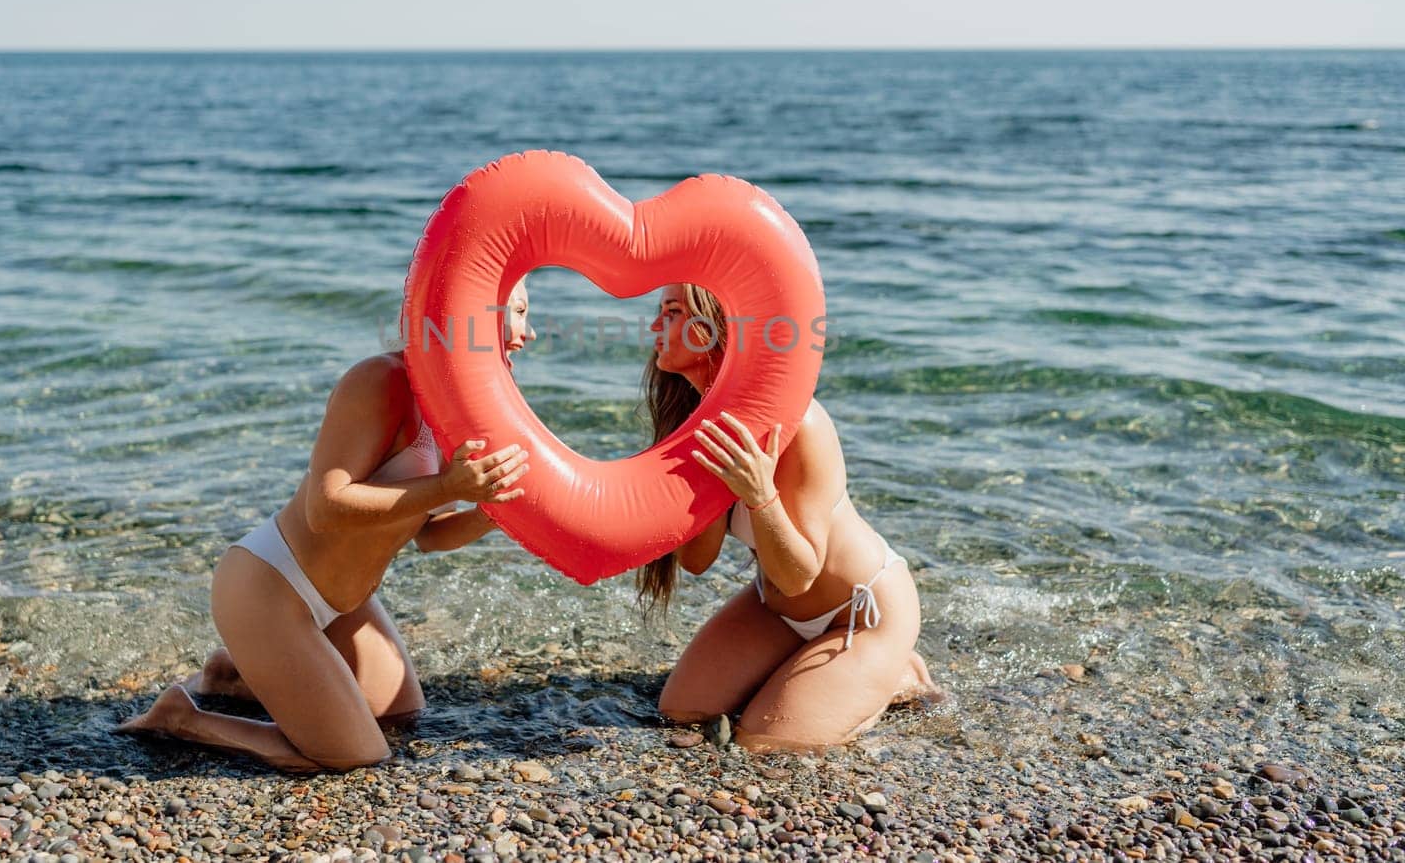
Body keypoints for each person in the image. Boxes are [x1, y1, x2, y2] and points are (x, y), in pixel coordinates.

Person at [118, 280, 538, 771]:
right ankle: (180, 717)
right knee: (356, 755)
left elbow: (428, 534)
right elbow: (326, 506)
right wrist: (450, 487)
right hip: (271, 587)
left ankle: (233, 678)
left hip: (345, 603)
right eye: (520, 311)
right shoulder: (381, 379)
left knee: (400, 715)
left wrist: (492, 513)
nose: (528, 332)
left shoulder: (458, 406)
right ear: (467, 307)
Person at [639, 284, 939, 751]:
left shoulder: (799, 424)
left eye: (672, 312)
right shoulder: (693, 422)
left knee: (764, 742)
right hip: (772, 607)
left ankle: (899, 672)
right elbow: (697, 561)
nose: (655, 327)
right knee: (682, 713)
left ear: (717, 330)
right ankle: (800, 666)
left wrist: (759, 495)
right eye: (659, 312)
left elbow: (799, 576)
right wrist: (701, 485)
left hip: (861, 612)